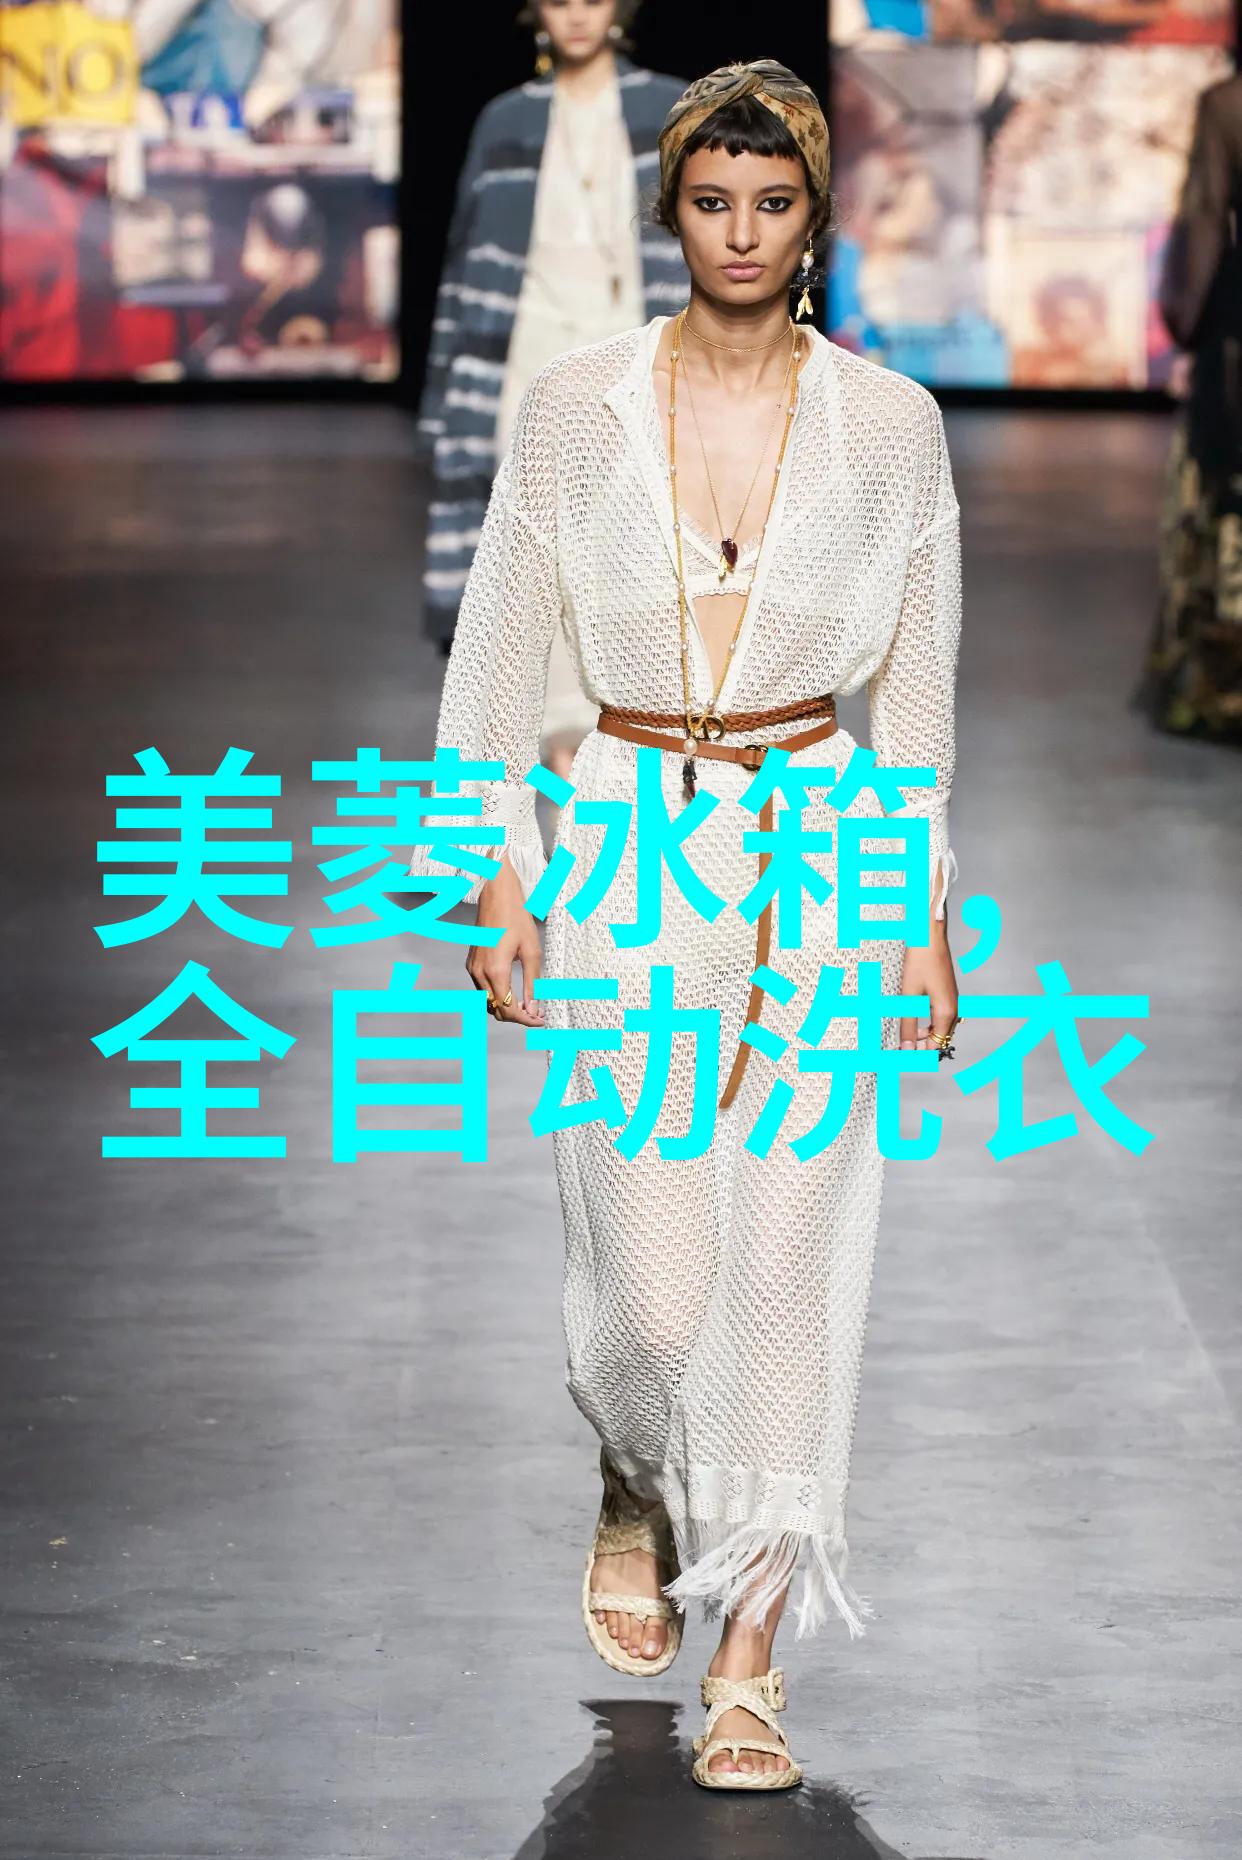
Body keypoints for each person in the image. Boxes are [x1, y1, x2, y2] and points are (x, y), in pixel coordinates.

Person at [408, 59, 963, 1791]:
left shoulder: (890, 425)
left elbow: (916, 699)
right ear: (673, 212)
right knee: (653, 1301)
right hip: (629, 834)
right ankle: (636, 1471)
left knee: (789, 1259)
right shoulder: (578, 405)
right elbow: (500, 643)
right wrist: (495, 869)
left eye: (770, 204)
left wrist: (924, 915)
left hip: (822, 841)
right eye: (710, 203)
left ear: (812, 218)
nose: (739, 233)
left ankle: (748, 1656)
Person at [415, 0, 689, 778]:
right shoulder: (505, 119)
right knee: (537, 556)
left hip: (627, 354)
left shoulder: (669, 110)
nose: (577, 16)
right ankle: (563, 746)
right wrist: (444, 396)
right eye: (561, 0)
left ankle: (614, 738)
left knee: (625, 553)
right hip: (525, 357)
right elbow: (464, 266)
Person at [1131, 73, 1242, 743]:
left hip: (1237, 337)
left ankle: (1223, 686)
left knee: (1225, 494)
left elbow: (1204, 218)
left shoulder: (1229, 105)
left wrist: (1186, 328)